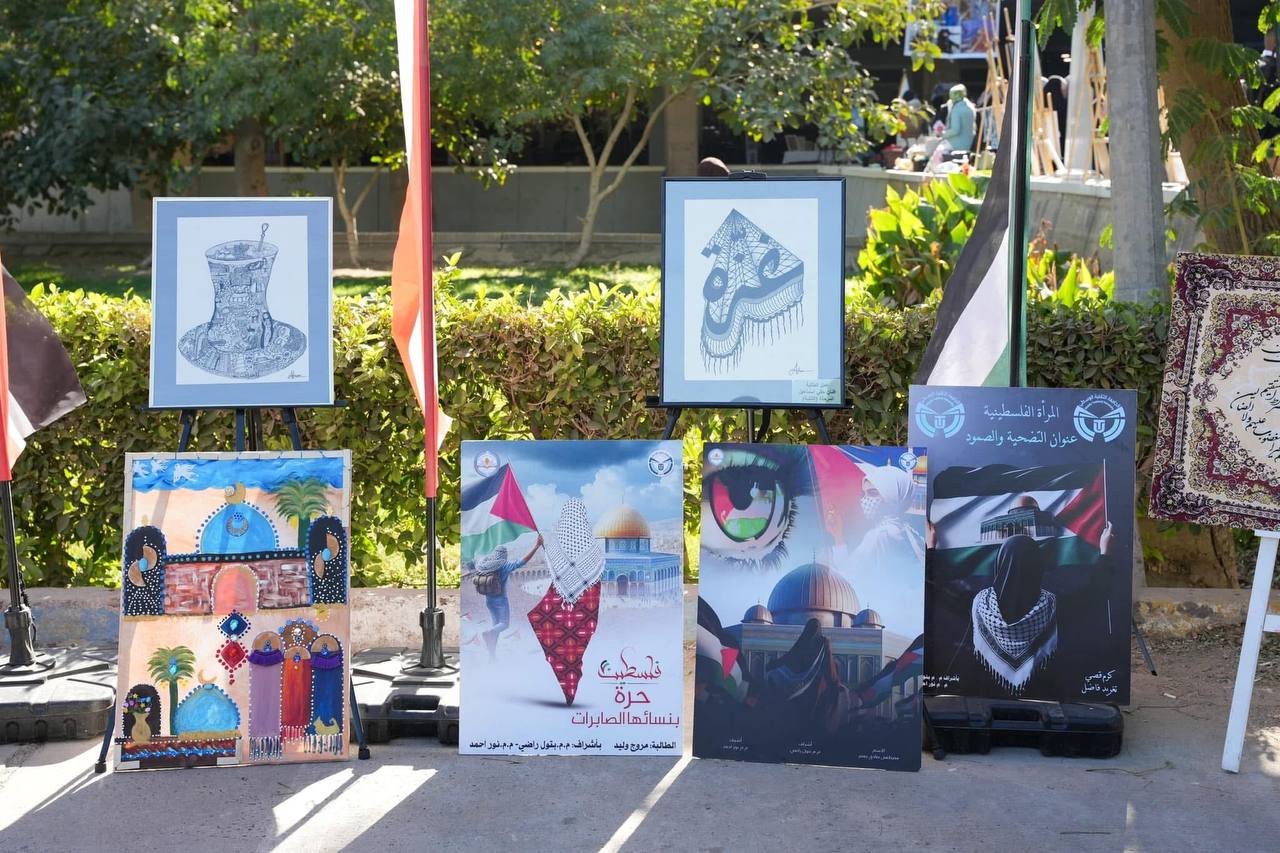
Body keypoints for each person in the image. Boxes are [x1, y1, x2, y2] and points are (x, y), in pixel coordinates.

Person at [468, 535, 544, 660]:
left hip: (489, 601)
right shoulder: (505, 566)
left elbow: (473, 565)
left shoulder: (484, 565)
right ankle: (488, 633)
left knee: (496, 628)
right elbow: (523, 561)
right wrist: (536, 546)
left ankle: (492, 656)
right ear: (504, 556)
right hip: (501, 601)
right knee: (504, 624)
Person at [849, 464, 925, 568]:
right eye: (863, 494)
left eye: (872, 493)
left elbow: (846, 574)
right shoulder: (907, 531)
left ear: (892, 496)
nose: (864, 500)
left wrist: (838, 539)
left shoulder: (879, 535)